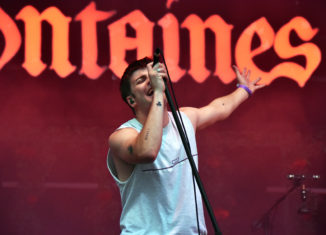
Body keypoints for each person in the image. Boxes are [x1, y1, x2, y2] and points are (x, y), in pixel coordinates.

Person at [107, 57, 265, 234]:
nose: (151, 80)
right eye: (141, 80)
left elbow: (219, 108)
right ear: (131, 101)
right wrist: (158, 92)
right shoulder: (122, 136)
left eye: (151, 76)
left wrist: (244, 89)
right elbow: (148, 151)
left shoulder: (184, 120)